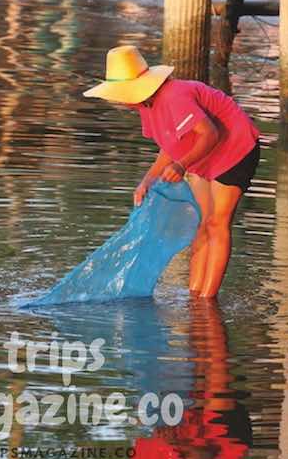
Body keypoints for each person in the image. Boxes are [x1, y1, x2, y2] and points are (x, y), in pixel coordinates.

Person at [84, 44, 260, 298]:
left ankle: (207, 300)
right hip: (203, 154)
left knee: (217, 223)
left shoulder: (173, 96)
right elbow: (170, 145)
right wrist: (147, 180)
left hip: (234, 147)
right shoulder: (147, 105)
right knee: (202, 224)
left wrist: (181, 165)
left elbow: (210, 133)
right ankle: (195, 295)